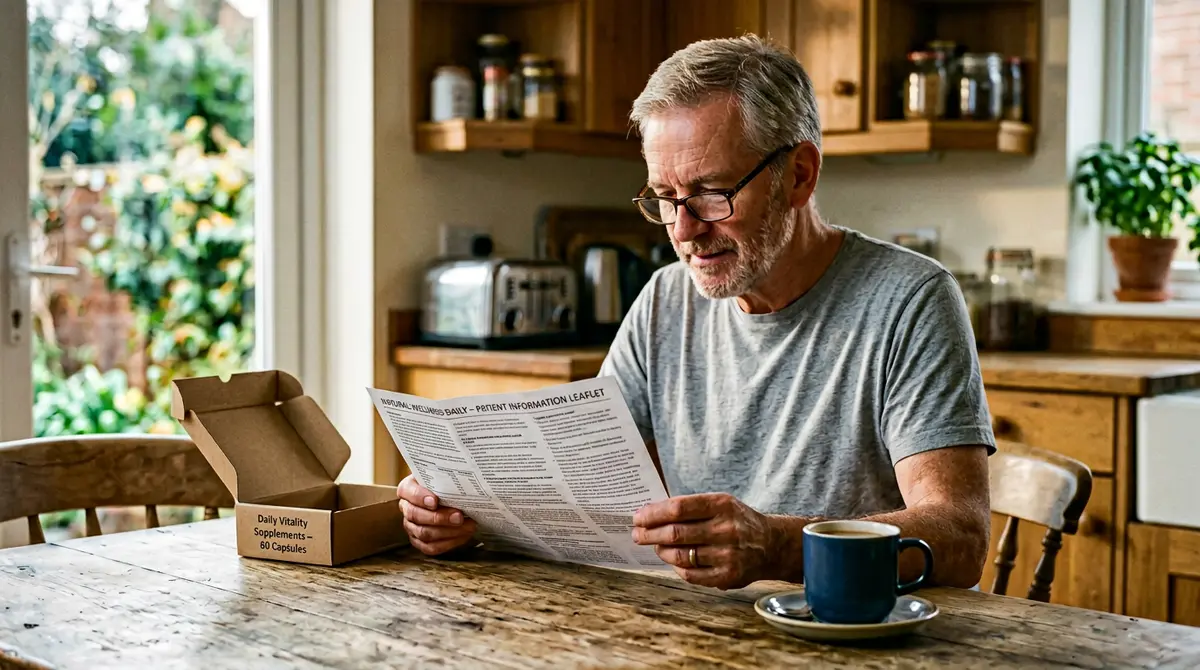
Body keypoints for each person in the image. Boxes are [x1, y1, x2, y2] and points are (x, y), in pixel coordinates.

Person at [396, 34, 995, 591]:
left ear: (799, 176)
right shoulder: (663, 298)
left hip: (847, 635)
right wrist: (467, 512)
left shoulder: (911, 299)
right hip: (689, 628)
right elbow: (587, 490)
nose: (683, 231)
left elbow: (961, 539)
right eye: (664, 197)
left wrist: (779, 547)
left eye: (713, 193)